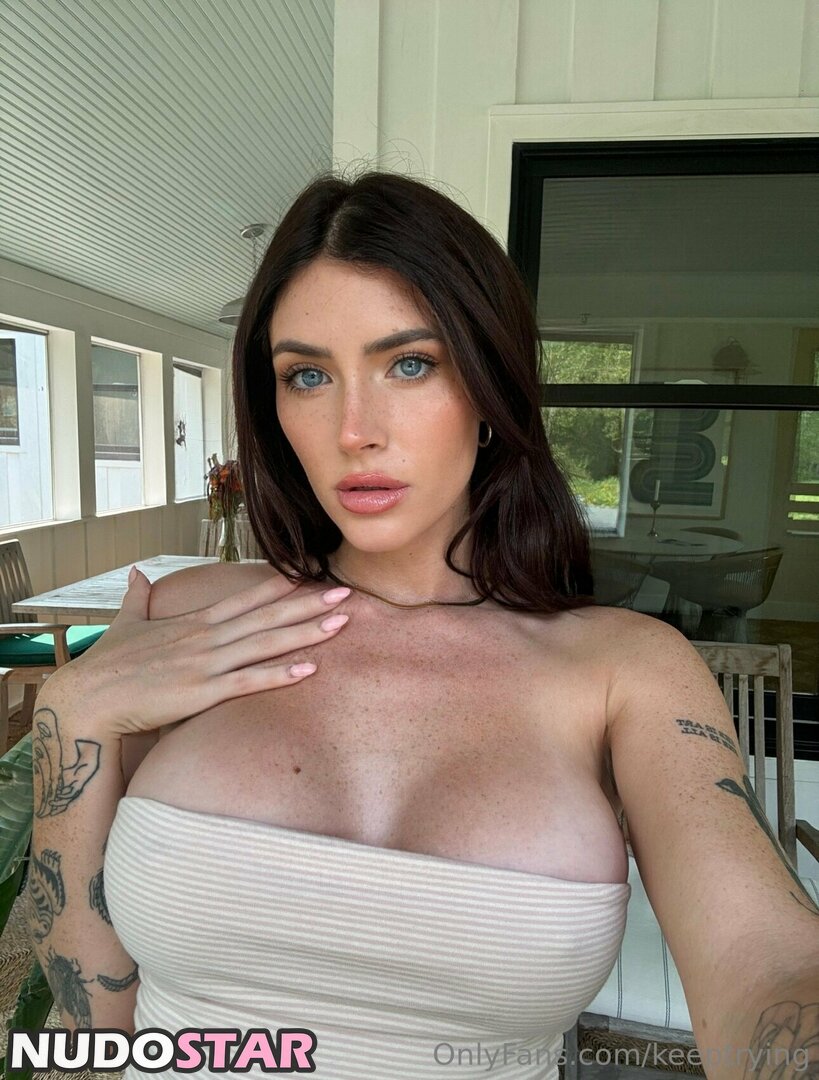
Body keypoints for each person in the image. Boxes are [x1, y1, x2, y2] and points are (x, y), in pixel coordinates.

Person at [28, 170, 817, 1080]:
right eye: (307, 375)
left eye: (409, 363)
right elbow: (94, 1018)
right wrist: (71, 708)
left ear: (488, 388)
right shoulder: (188, 619)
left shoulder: (628, 670)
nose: (353, 430)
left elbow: (765, 961)